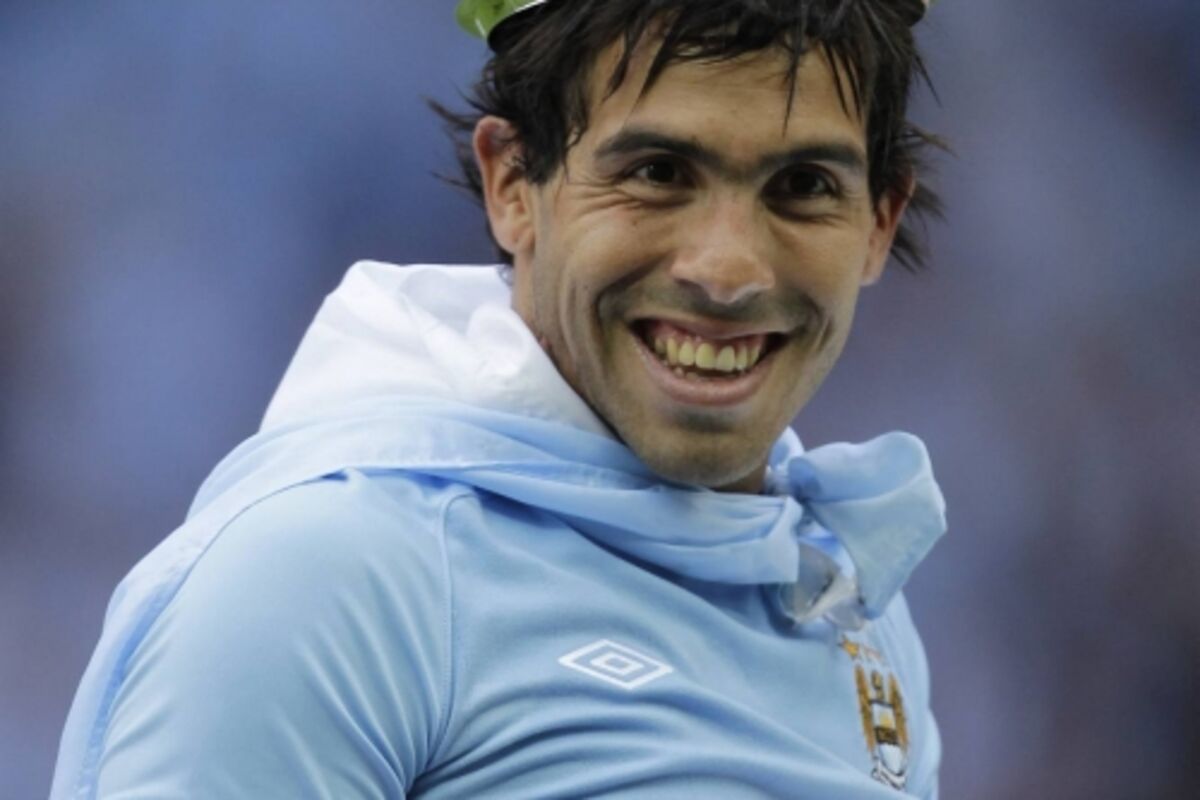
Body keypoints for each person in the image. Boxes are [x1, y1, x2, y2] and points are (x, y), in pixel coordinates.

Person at [53, 0, 948, 797]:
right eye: (658, 172)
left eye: (804, 187)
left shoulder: (849, 598)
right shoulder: (323, 581)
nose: (726, 270)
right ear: (513, 185)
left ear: (880, 220)